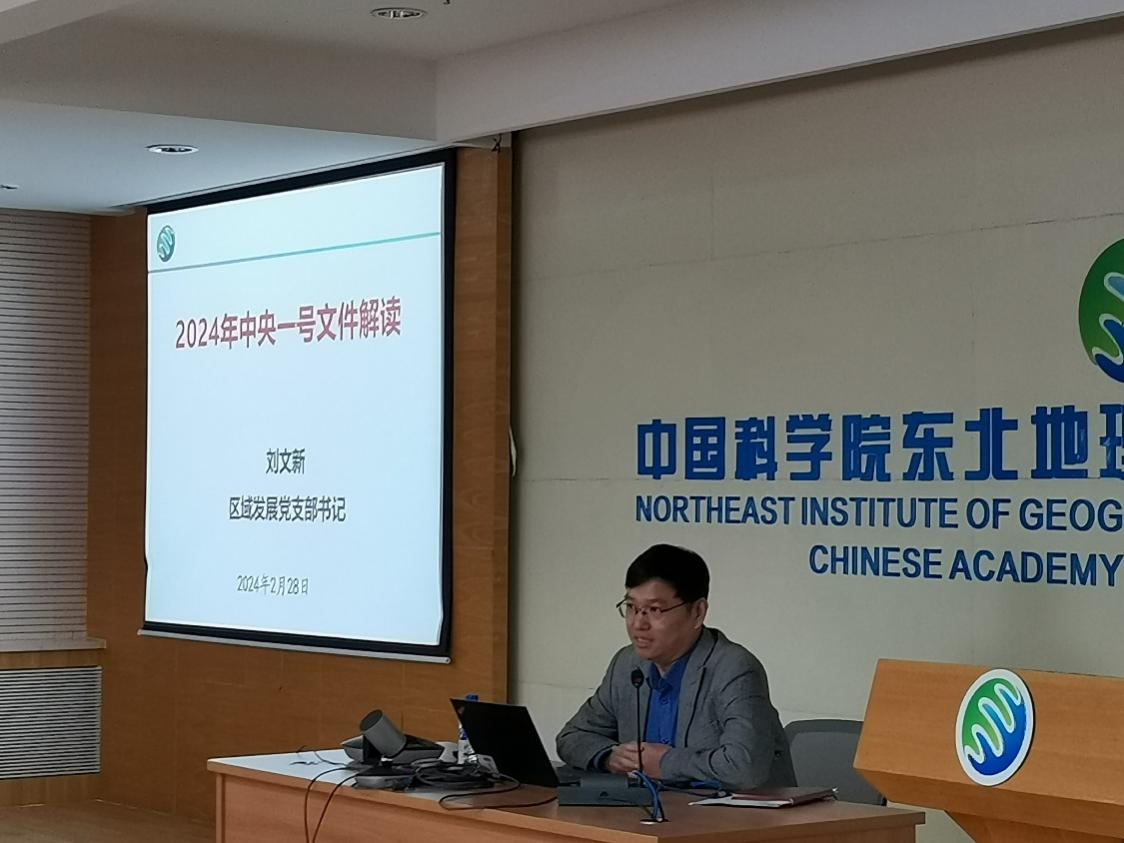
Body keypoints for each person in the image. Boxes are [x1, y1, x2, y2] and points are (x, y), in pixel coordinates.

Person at [556, 543, 795, 791]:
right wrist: (609, 756)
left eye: (654, 610)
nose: (638, 623)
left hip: (736, 813)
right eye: (631, 607)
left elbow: (745, 767)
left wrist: (664, 763)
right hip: (651, 810)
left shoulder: (733, 669)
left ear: (697, 613)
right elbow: (571, 737)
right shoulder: (627, 665)